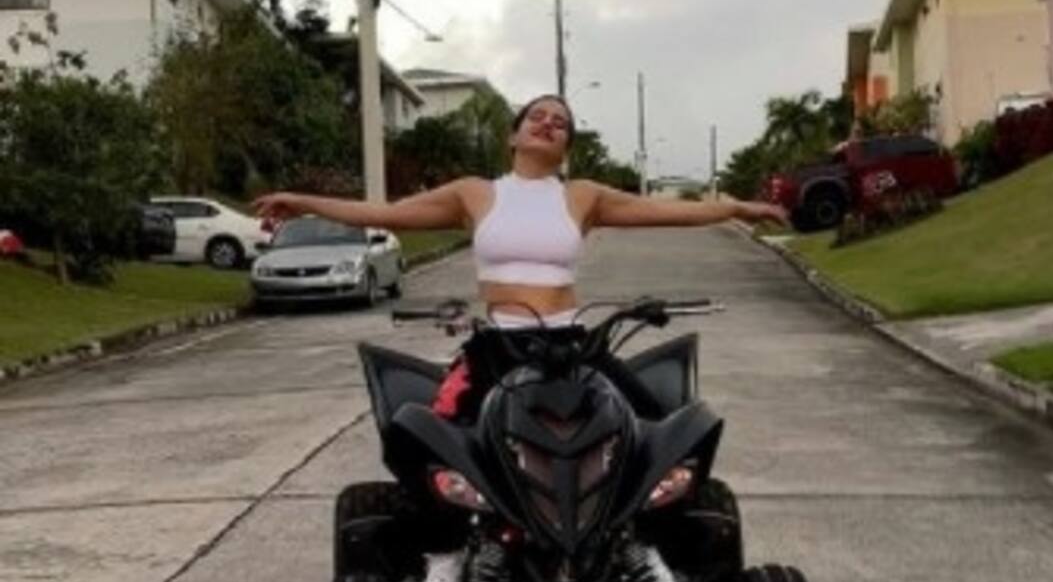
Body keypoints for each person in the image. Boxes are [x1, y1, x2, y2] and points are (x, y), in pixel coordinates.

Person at [253, 94, 787, 419]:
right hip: (500, 346)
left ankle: (643, 546)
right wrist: (300, 201)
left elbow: (670, 213)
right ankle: (445, 552)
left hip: (571, 342)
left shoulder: (584, 197)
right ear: (514, 134)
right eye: (538, 115)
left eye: (561, 122)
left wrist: (736, 206)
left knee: (652, 423)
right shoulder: (475, 193)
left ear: (566, 146)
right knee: (430, 434)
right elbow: (384, 212)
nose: (549, 123)